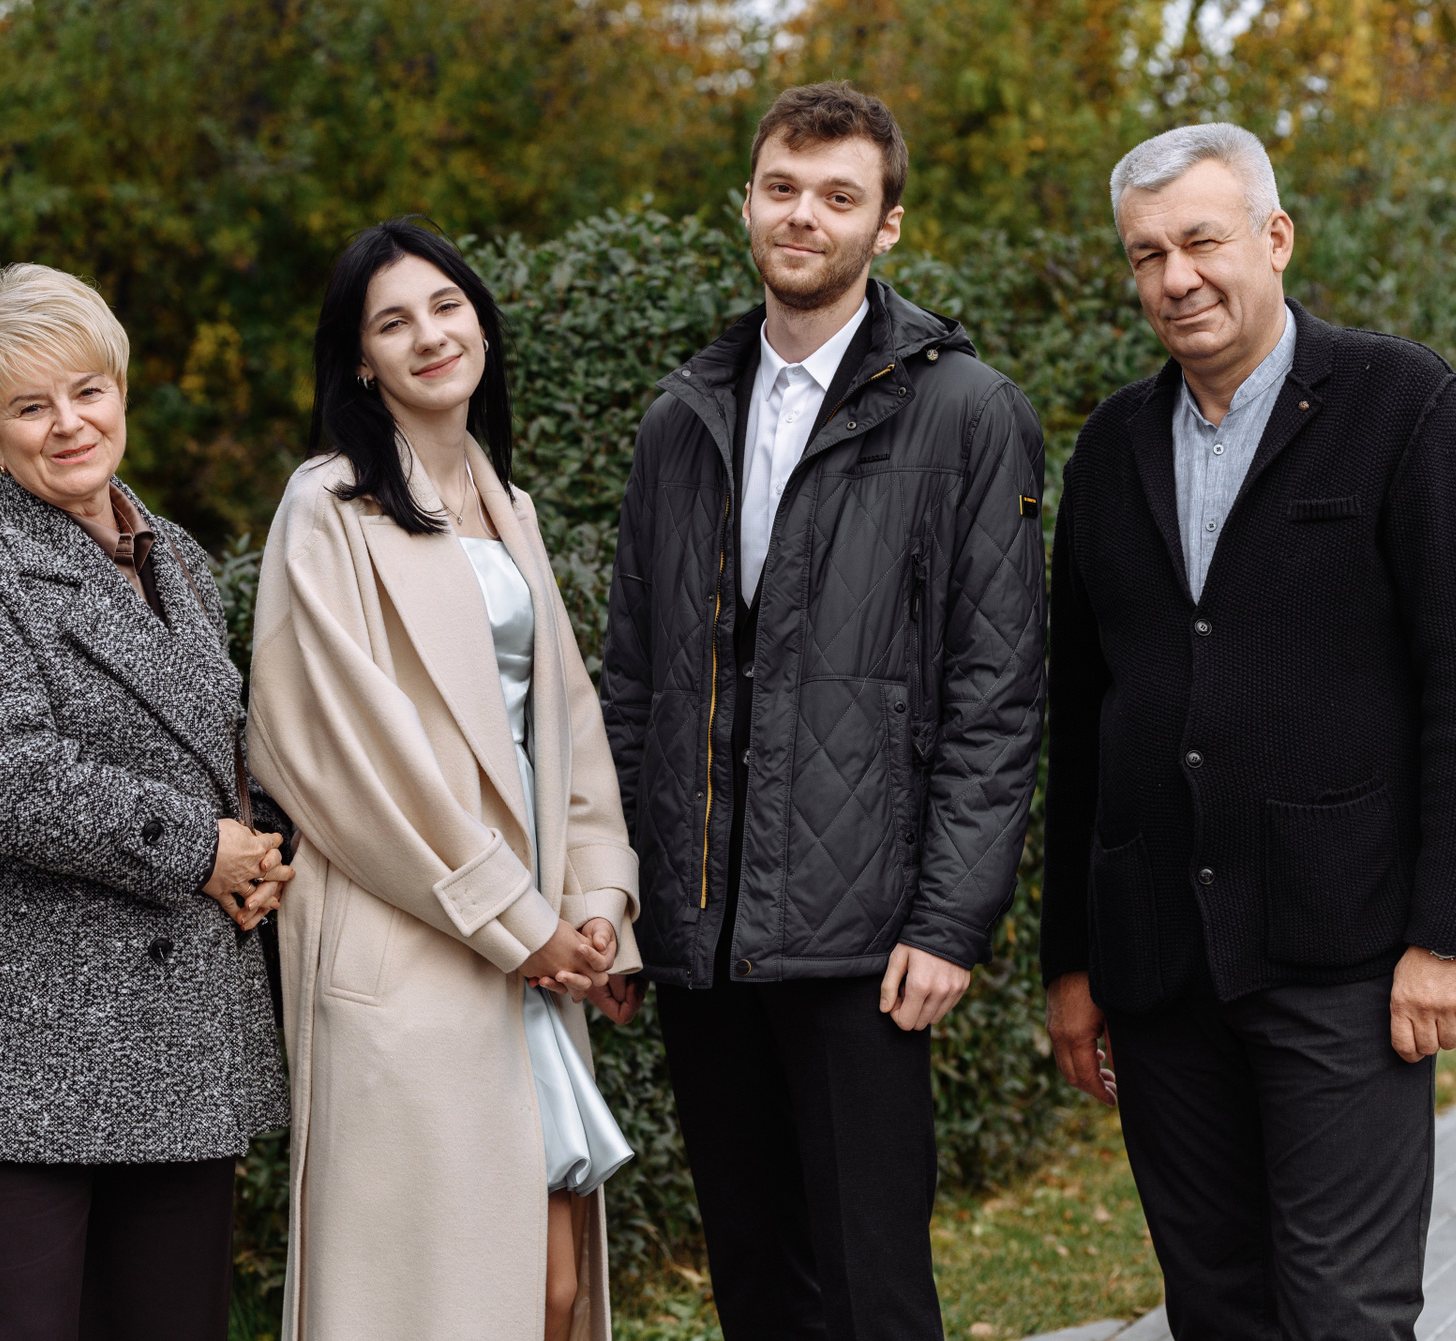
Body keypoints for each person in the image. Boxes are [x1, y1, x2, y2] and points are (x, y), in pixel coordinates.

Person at [1041, 123, 1456, 1341]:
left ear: (1275, 237)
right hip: (1160, 964)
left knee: (1342, 1311)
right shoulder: (1109, 449)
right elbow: (1083, 718)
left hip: (1344, 956)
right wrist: (1072, 963)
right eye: (1147, 255)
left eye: (1201, 242)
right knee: (1215, 1308)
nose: (1176, 279)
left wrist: (1451, 937)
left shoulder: (1401, 406)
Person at [599, 83, 1046, 1340]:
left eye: (839, 196)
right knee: (757, 1285)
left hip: (867, 938)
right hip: (703, 935)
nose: (804, 216)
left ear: (886, 224)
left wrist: (949, 923)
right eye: (782, 189)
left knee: (872, 1294)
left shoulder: (970, 414)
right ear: (745, 203)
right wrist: (622, 894)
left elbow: (998, 694)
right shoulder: (682, 417)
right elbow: (633, 685)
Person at [0, 263, 293, 1341]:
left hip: (180, 1039)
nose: (68, 424)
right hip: (30, 1060)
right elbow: (2, 781)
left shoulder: (174, 557)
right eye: (30, 407)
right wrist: (200, 848)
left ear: (120, 391)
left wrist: (259, 847)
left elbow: (216, 749)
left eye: (86, 390)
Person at [245, 218, 640, 1341]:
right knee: (440, 1300)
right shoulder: (327, 508)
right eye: (393, 322)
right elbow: (342, 754)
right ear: (360, 361)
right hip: (409, 935)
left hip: (531, 939)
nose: (429, 335)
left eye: (447, 306)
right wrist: (517, 920)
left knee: (552, 1291)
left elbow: (564, 722)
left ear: (482, 324)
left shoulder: (506, 504)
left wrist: (597, 905)